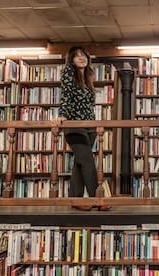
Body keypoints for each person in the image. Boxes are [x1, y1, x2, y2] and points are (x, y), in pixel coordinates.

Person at [51, 46, 111, 211]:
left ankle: (75, 198)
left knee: (80, 162)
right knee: (87, 161)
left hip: (89, 125)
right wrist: (62, 115)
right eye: (77, 56)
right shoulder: (68, 73)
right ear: (71, 60)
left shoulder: (89, 76)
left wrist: (93, 122)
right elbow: (66, 96)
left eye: (83, 55)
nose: (81, 58)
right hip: (74, 125)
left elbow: (89, 104)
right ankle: (98, 198)